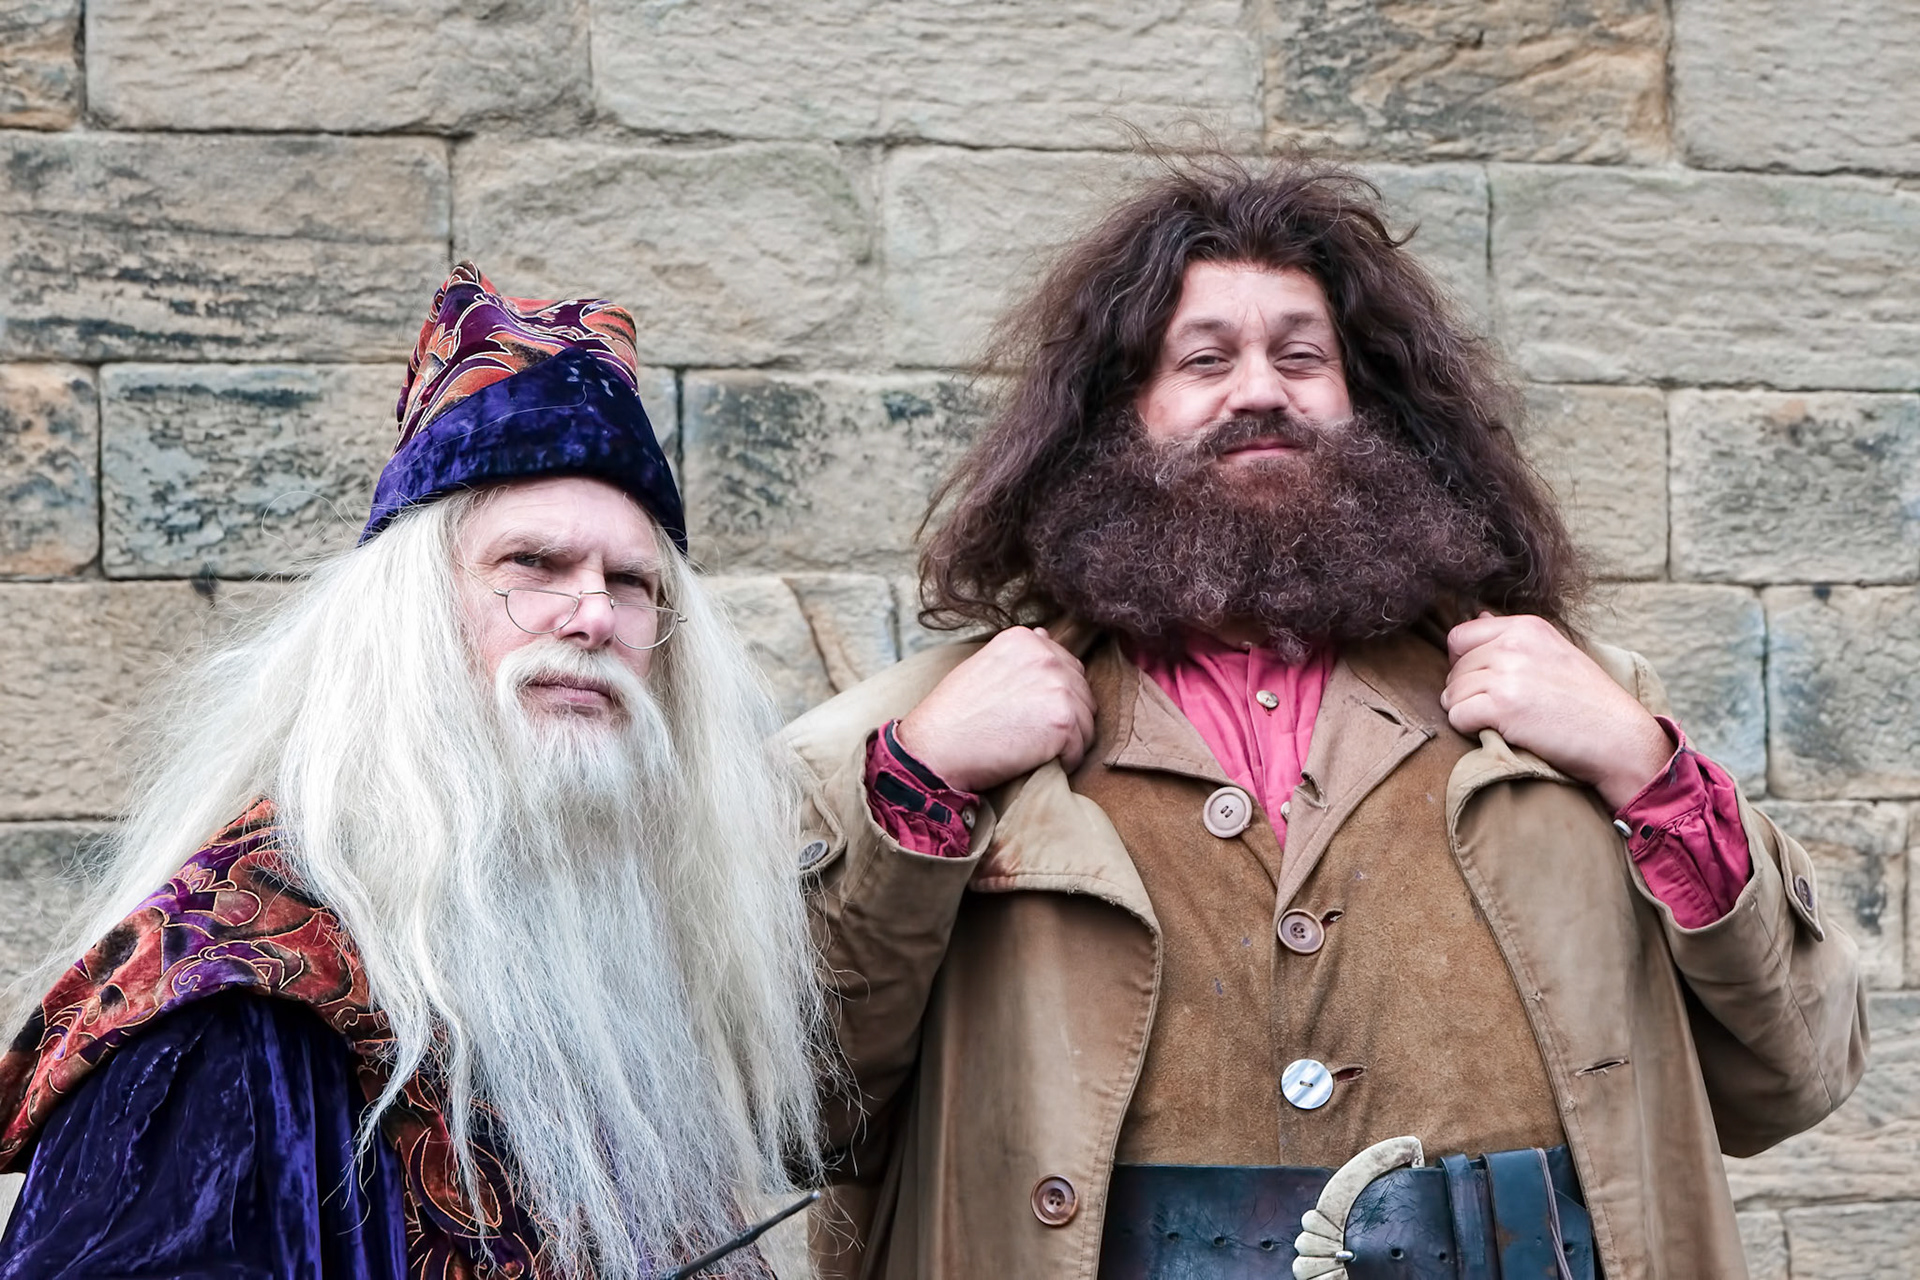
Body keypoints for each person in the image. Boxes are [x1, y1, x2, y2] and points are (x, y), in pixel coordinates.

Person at [785, 160, 1867, 1279]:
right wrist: (919, 789)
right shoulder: (927, 742)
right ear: (1117, 419)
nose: (1260, 390)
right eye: (1204, 359)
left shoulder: (1570, 707)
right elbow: (794, 1115)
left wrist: (1651, 772)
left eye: (1302, 355)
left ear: (1373, 409)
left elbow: (1798, 1068)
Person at [0, 264, 821, 1280]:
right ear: (413, 620)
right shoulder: (231, 1000)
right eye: (533, 564)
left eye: (631, 581)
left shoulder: (613, 934)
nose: (594, 615)